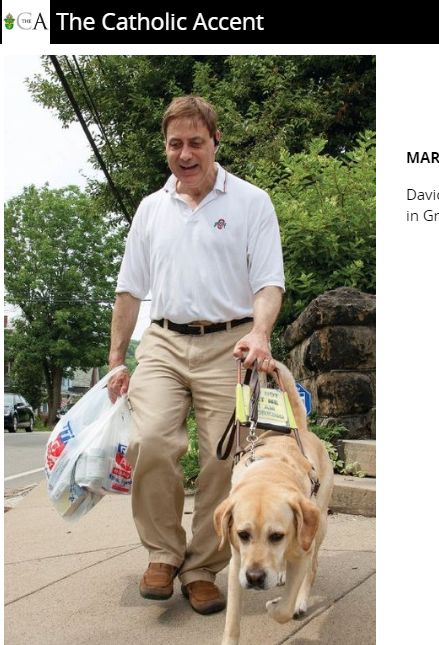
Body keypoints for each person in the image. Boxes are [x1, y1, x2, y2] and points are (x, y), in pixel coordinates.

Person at [107, 95, 285, 615]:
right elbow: (128, 290)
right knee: (149, 440)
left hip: (229, 344)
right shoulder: (150, 209)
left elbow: (269, 282)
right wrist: (118, 358)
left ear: (215, 143)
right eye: (175, 144)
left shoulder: (252, 202)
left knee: (222, 456)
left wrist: (261, 333)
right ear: (166, 147)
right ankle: (163, 553)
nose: (185, 154)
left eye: (195, 143)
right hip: (161, 341)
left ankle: (203, 567)